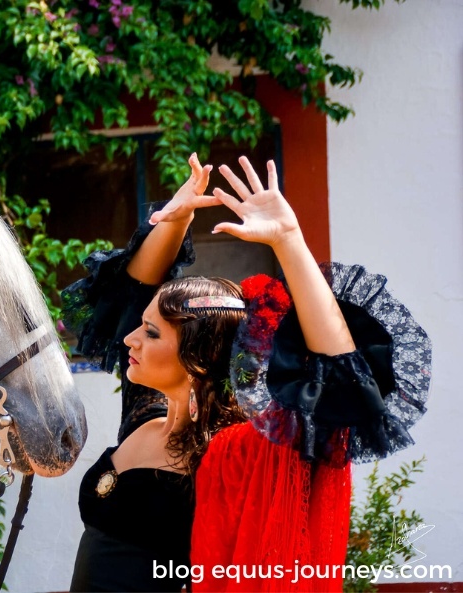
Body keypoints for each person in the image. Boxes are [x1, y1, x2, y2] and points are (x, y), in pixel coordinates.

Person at [63, 155, 431, 592]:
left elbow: (343, 386)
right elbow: (137, 293)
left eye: (150, 333)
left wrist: (289, 241)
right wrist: (175, 222)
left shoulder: (238, 454)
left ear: (197, 358)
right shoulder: (147, 416)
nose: (129, 341)